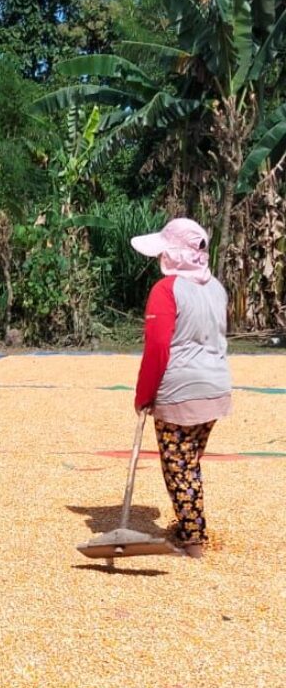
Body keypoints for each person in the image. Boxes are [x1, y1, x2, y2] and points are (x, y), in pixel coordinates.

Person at [131, 217, 232, 559]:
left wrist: (144, 395)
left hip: (180, 391)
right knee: (190, 461)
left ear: (173, 254)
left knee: (178, 466)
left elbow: (158, 348)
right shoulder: (216, 287)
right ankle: (191, 526)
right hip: (215, 386)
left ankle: (192, 541)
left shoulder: (166, 290)